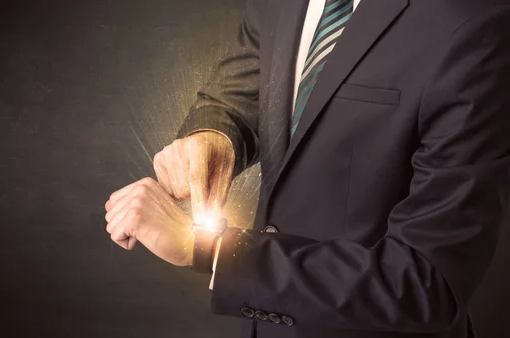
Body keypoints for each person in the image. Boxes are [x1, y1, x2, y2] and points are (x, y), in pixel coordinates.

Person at [104, 0, 510, 337]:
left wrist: (210, 252)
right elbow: (249, 84)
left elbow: (428, 285)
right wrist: (215, 133)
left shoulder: (471, 23)